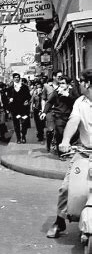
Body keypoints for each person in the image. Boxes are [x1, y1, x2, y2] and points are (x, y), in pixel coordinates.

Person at [46, 69, 92, 238]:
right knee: (66, 187)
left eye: (80, 81)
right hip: (85, 152)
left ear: (87, 84)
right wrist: (65, 141)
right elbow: (73, 121)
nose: (77, 85)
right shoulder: (80, 101)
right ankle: (59, 222)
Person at [41, 75, 79, 156]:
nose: (61, 85)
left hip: (70, 116)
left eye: (63, 83)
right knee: (61, 133)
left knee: (75, 134)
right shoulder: (56, 92)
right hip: (59, 116)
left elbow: (78, 101)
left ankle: (67, 147)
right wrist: (44, 112)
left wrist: (68, 95)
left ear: (68, 84)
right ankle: (60, 153)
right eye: (60, 83)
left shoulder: (73, 91)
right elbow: (49, 102)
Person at [7, 73, 31, 144]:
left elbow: (29, 96)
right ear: (13, 78)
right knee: (16, 123)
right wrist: (9, 99)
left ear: (19, 78)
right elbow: (7, 97)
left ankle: (23, 136)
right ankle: (18, 138)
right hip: (15, 109)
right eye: (15, 77)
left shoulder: (24, 87)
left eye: (18, 77)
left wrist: (27, 101)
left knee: (24, 123)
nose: (16, 78)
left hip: (24, 108)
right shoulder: (10, 88)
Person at [42, 71, 63, 152]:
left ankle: (58, 148)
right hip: (50, 111)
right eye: (59, 77)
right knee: (50, 130)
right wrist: (43, 111)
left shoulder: (63, 86)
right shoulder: (46, 86)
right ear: (54, 77)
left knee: (59, 130)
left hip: (60, 111)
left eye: (61, 77)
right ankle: (48, 143)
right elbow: (43, 99)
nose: (60, 78)